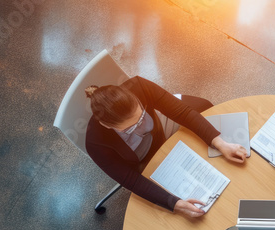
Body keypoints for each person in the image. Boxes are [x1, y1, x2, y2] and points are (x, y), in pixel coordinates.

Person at [84, 77, 248, 217]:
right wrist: (174, 203)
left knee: (203, 106)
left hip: (159, 125)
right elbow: (131, 180)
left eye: (141, 116)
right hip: (139, 156)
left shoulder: (139, 86)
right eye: (131, 129)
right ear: (106, 125)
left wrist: (220, 143)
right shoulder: (95, 143)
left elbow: (181, 112)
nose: (140, 126)